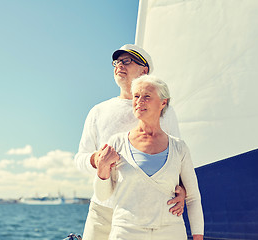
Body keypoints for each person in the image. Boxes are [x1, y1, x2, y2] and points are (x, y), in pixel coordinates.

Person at [74, 44, 186, 240]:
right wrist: (97, 159)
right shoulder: (98, 111)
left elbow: (177, 157)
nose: (119, 66)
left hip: (144, 212)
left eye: (126, 61)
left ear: (144, 70)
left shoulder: (165, 112)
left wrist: (182, 190)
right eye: (116, 62)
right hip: (103, 211)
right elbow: (80, 159)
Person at [94, 75, 204, 240]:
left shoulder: (179, 147)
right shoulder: (117, 143)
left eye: (147, 96)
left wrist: (198, 237)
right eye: (136, 96)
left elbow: (193, 197)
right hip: (125, 232)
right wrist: (102, 167)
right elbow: (103, 195)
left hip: (171, 232)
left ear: (163, 103)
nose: (139, 101)